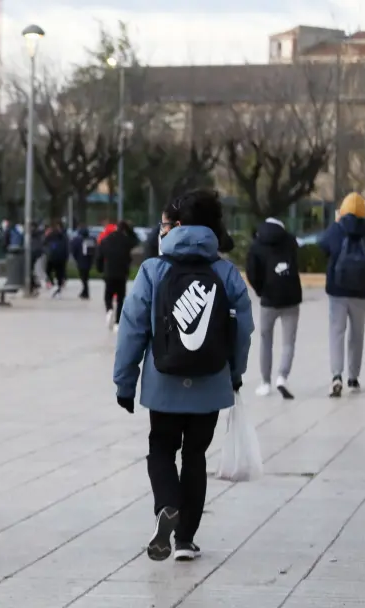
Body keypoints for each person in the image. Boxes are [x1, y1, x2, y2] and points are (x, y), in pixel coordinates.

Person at [113, 189, 254, 564]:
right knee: (195, 456)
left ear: (175, 226)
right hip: (210, 382)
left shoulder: (153, 271)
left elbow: (131, 329)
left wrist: (125, 382)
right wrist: (234, 374)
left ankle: (166, 505)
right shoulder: (226, 273)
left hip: (163, 382)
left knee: (161, 447)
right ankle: (186, 541)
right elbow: (243, 330)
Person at [319, 192, 365, 397]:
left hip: (337, 292)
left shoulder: (336, 230)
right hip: (360, 294)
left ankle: (336, 376)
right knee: (357, 335)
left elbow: (322, 246)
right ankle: (353, 379)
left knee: (336, 333)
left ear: (343, 210)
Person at [246, 217, 302, 399]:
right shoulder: (291, 241)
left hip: (269, 299)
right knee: (288, 342)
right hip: (291, 298)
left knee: (265, 340)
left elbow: (251, 272)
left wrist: (261, 290)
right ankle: (282, 377)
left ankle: (265, 383)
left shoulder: (256, 244)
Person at [96, 220, 136, 332]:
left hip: (109, 272)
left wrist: (100, 269)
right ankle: (117, 323)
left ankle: (109, 309)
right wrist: (130, 230)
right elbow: (135, 241)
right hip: (122, 273)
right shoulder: (126, 241)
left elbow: (99, 256)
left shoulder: (105, 241)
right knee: (120, 298)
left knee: (107, 295)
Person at [70, 223, 97, 300]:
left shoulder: (77, 240)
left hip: (81, 262)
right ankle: (84, 291)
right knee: (85, 277)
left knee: (83, 277)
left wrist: (76, 259)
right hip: (88, 262)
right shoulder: (91, 239)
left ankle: (85, 292)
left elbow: (73, 250)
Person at [44, 221, 70, 298]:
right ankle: (57, 288)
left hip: (54, 258)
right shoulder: (64, 236)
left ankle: (56, 288)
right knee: (58, 274)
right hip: (59, 258)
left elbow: (45, 243)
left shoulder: (53, 235)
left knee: (53, 272)